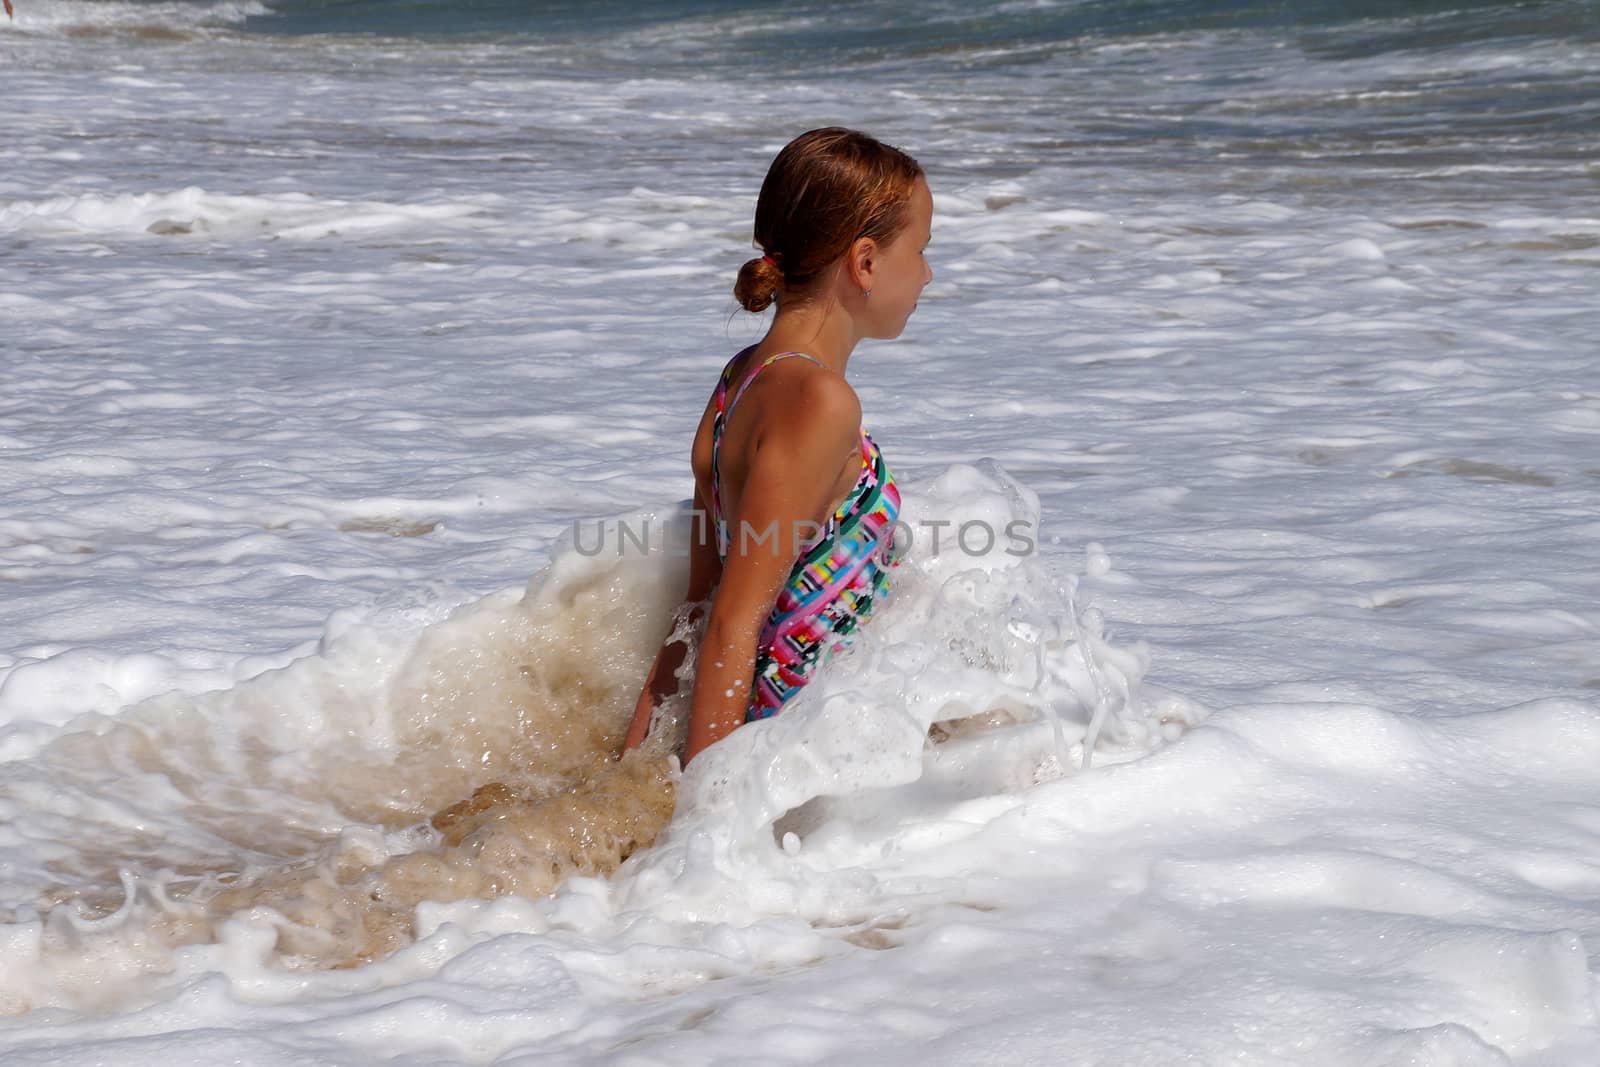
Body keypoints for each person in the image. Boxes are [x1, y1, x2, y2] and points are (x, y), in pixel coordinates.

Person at [622, 127, 933, 765]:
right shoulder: (820, 403)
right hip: (794, 760)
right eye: (923, 250)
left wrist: (628, 772)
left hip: (786, 749)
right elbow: (733, 626)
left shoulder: (743, 379)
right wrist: (701, 827)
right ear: (866, 262)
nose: (928, 274)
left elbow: (695, 613)